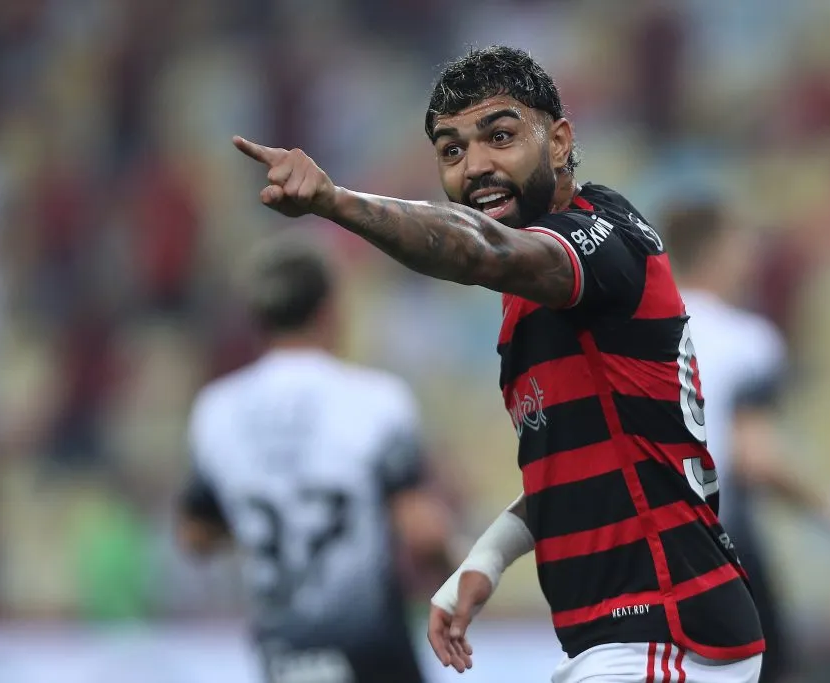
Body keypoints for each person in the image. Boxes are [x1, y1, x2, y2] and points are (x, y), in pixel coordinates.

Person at [233, 46, 765, 683]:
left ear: (560, 141)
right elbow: (576, 466)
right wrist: (483, 561)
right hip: (633, 639)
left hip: (666, 634)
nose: (477, 167)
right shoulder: (534, 296)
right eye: (452, 150)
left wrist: (334, 202)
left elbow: (479, 250)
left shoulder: (598, 241)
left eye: (501, 136)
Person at [176, 231, 454, 683]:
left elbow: (196, 535)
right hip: (373, 656)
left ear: (258, 318)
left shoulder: (216, 412)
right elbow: (421, 532)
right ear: (330, 311)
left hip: (283, 656)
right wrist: (458, 565)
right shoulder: (377, 402)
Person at [662, 199, 830, 683]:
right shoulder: (746, 339)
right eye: (740, 246)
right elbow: (753, 454)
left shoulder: (627, 331)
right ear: (715, 252)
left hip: (632, 544)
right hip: (712, 543)